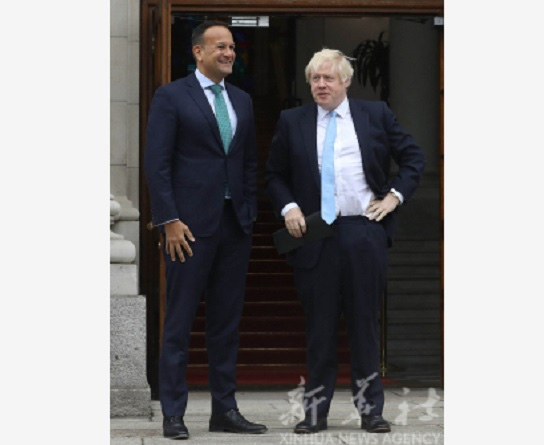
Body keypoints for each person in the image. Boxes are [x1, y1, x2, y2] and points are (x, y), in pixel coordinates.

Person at [265, 48, 426, 434]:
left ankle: (371, 411)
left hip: (363, 231)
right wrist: (288, 207)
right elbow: (274, 174)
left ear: (345, 81)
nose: (320, 85)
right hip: (316, 234)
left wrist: (393, 197)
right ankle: (315, 413)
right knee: (319, 328)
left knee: (364, 325)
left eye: (328, 78)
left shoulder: (375, 115)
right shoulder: (293, 120)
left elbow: (413, 158)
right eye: (315, 79)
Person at [144, 21, 266, 439]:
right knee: (178, 322)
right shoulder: (172, 96)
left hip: (234, 227)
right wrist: (169, 220)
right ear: (198, 52)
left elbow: (248, 161)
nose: (229, 53)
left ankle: (224, 411)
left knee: (226, 325)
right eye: (220, 46)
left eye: (231, 47)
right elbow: (157, 164)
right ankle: (174, 414)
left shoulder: (243, 101)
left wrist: (248, 211)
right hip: (188, 230)